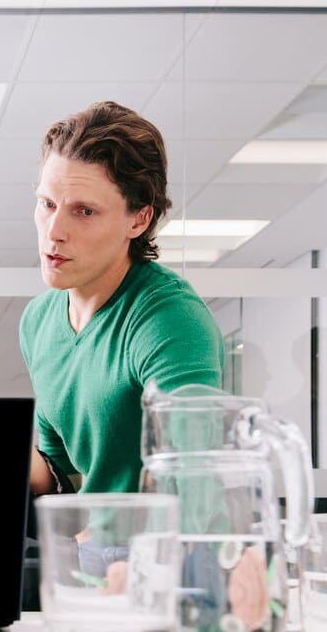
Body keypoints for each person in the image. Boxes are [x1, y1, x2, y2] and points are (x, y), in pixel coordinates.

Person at [21, 101, 224, 497]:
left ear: (139, 219)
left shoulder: (169, 318)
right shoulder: (37, 320)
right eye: (47, 204)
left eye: (84, 211)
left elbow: (195, 480)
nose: (54, 231)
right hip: (85, 542)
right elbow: (61, 473)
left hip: (156, 547)